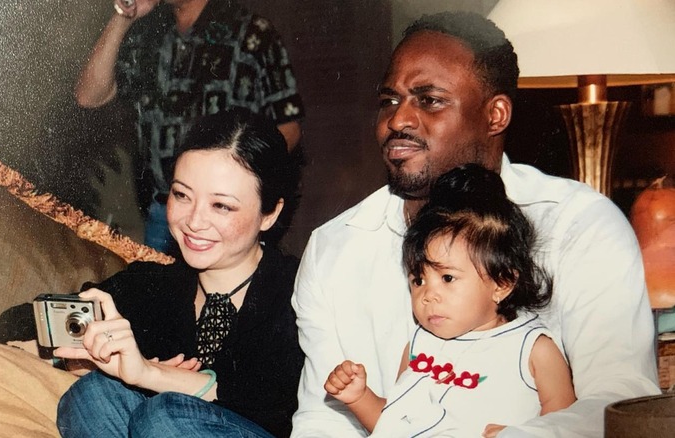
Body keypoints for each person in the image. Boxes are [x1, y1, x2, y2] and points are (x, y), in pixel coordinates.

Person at [291, 11, 660, 437]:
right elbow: (324, 420)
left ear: (496, 115)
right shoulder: (335, 247)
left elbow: (619, 399)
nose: (397, 120)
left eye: (428, 100)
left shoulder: (577, 224)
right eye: (389, 100)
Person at [55, 111, 304, 438]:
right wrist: (83, 352)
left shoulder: (299, 289)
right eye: (182, 195)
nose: (194, 221)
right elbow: (22, 323)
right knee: (93, 395)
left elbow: (273, 403)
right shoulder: (154, 285)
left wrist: (151, 373)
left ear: (270, 214)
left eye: (222, 206)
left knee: (165, 418)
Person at [324, 164, 576, 437]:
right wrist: (359, 398)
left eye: (447, 278)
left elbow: (567, 426)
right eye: (418, 280)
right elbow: (395, 425)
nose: (427, 295)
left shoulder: (533, 349)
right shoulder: (418, 344)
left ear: (502, 283)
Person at [75, 0, 305, 253]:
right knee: (165, 290)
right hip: (165, 212)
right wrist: (123, 16)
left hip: (225, 216)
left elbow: (289, 126)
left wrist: (243, 181)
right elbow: (89, 96)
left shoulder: (252, 32)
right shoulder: (148, 35)